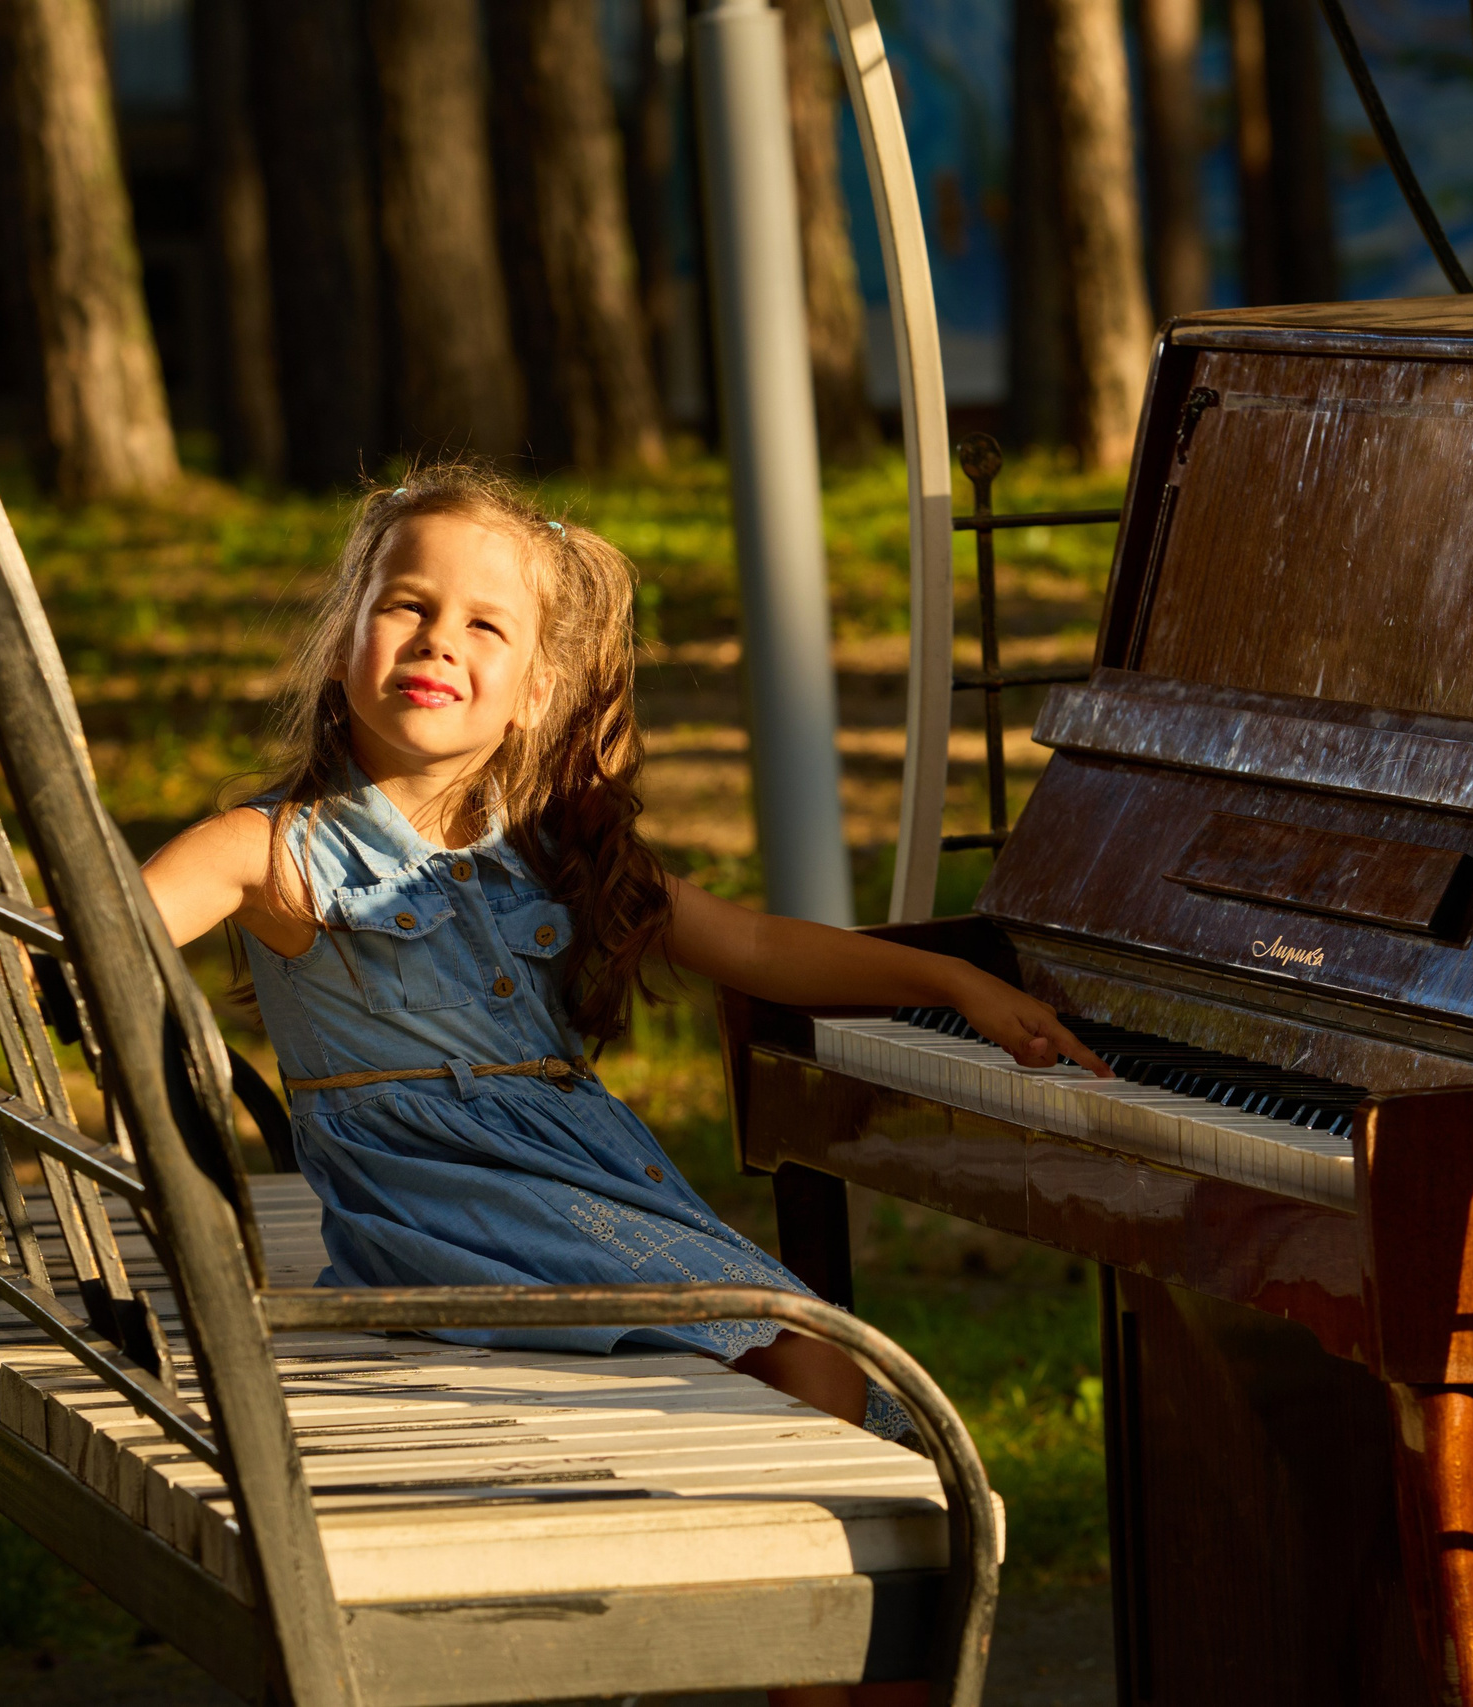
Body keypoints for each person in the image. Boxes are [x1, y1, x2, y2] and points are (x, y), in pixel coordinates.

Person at [139, 464, 1106, 1444]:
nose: (439, 640)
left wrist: (950, 980)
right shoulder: (270, 853)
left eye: (485, 625)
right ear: (341, 643)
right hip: (440, 1205)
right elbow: (100, 929)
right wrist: (5, 934)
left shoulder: (551, 849)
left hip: (586, 1177)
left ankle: (802, 1574)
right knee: (809, 1355)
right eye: (407, 606)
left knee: (853, 1397)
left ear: (533, 694)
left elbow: (758, 947)